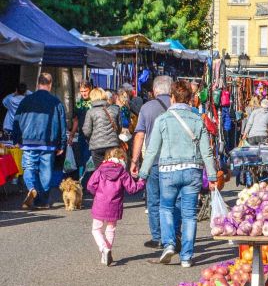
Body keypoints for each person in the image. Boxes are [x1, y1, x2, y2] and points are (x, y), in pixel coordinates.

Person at [139, 80, 217, 268]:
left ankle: (170, 243)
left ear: (172, 98)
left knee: (166, 208)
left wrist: (143, 173)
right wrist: (213, 177)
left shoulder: (163, 120)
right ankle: (186, 257)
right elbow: (207, 152)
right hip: (192, 171)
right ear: (190, 99)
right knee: (189, 214)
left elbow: (152, 150)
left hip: (168, 172)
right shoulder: (198, 120)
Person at [131, 76, 181, 249]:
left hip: (155, 160)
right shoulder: (180, 106)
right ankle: (175, 234)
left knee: (154, 200)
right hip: (177, 160)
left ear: (154, 90)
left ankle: (158, 237)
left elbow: (139, 135)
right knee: (174, 199)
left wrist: (134, 160)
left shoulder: (147, 107)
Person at [12, 73, 66, 209]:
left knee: (29, 167)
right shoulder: (56, 102)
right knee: (46, 171)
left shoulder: (26, 100)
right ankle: (42, 201)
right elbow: (62, 125)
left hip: (28, 140)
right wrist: (62, 144)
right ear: (50, 84)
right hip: (48, 142)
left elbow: (16, 120)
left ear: (37, 84)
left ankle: (31, 188)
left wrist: (16, 138)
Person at [87, 147, 145, 266]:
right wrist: (142, 181)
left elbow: (90, 186)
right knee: (111, 228)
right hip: (115, 204)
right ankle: (107, 251)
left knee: (96, 229)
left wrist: (96, 194)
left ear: (108, 157)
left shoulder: (100, 170)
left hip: (100, 203)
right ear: (122, 159)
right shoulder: (122, 172)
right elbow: (132, 188)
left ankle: (104, 248)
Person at [82, 88, 121, 169]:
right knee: (112, 170)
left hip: (97, 147)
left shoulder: (90, 112)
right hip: (112, 145)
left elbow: (86, 131)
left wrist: (93, 138)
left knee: (100, 171)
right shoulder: (115, 109)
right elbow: (119, 128)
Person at [68, 80, 92, 176]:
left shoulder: (94, 102)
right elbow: (76, 121)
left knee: (90, 159)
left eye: (85, 91)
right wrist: (71, 135)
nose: (83, 93)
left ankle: (90, 181)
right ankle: (82, 180)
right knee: (81, 160)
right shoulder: (78, 103)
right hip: (82, 135)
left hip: (93, 136)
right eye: (81, 91)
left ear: (90, 89)